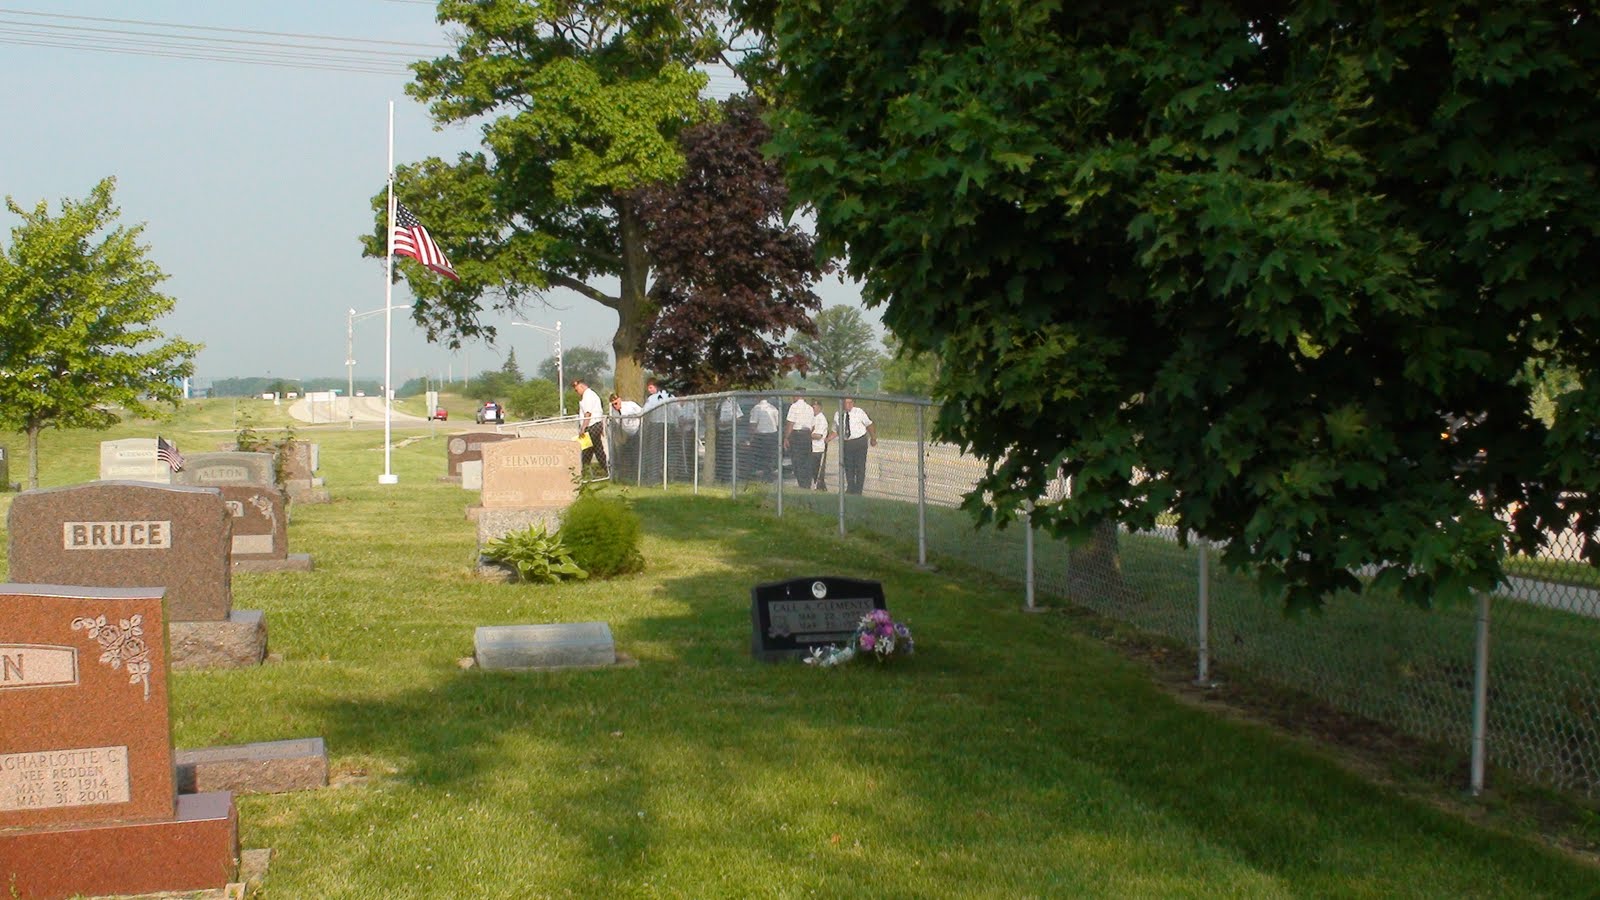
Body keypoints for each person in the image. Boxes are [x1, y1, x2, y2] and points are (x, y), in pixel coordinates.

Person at [835, 397, 878, 494]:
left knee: (859, 467)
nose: (849, 405)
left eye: (851, 402)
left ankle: (858, 490)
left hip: (859, 442)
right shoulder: (838, 414)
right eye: (846, 403)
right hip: (846, 443)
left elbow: (869, 425)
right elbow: (836, 430)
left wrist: (873, 438)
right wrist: (828, 438)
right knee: (848, 467)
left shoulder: (859, 412)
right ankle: (850, 487)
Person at [573, 378, 608, 476]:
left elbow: (588, 413)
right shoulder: (591, 395)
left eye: (577, 389)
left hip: (592, 426)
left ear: (582, 386)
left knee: (589, 451)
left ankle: (585, 472)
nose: (577, 392)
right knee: (594, 450)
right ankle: (598, 470)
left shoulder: (588, 395)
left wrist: (583, 428)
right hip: (595, 425)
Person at [783, 390, 813, 489]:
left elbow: (790, 423)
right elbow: (812, 425)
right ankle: (807, 483)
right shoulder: (809, 408)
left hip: (797, 434)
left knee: (797, 460)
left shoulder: (794, 407)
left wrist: (786, 437)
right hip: (807, 434)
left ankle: (802, 483)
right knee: (806, 460)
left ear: (796, 396)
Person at [610, 393, 643, 480]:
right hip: (628, 433)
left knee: (637, 453)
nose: (615, 406)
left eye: (616, 403)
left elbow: (642, 412)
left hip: (637, 430)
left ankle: (638, 474)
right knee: (627, 453)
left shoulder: (630, 405)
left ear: (620, 400)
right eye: (613, 404)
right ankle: (628, 474)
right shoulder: (614, 411)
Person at [748, 396, 782, 480]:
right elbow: (777, 424)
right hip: (772, 435)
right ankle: (769, 475)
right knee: (770, 457)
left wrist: (751, 437)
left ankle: (762, 475)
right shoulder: (773, 408)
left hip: (761, 436)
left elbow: (753, 424)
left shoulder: (757, 408)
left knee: (761, 456)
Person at [809, 398, 834, 491]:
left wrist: (806, 435)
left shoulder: (821, 419)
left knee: (817, 471)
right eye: (812, 406)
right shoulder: (813, 418)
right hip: (811, 448)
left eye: (815, 407)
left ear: (820, 407)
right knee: (811, 470)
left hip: (818, 449)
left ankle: (818, 487)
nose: (813, 408)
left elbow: (818, 436)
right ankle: (817, 487)